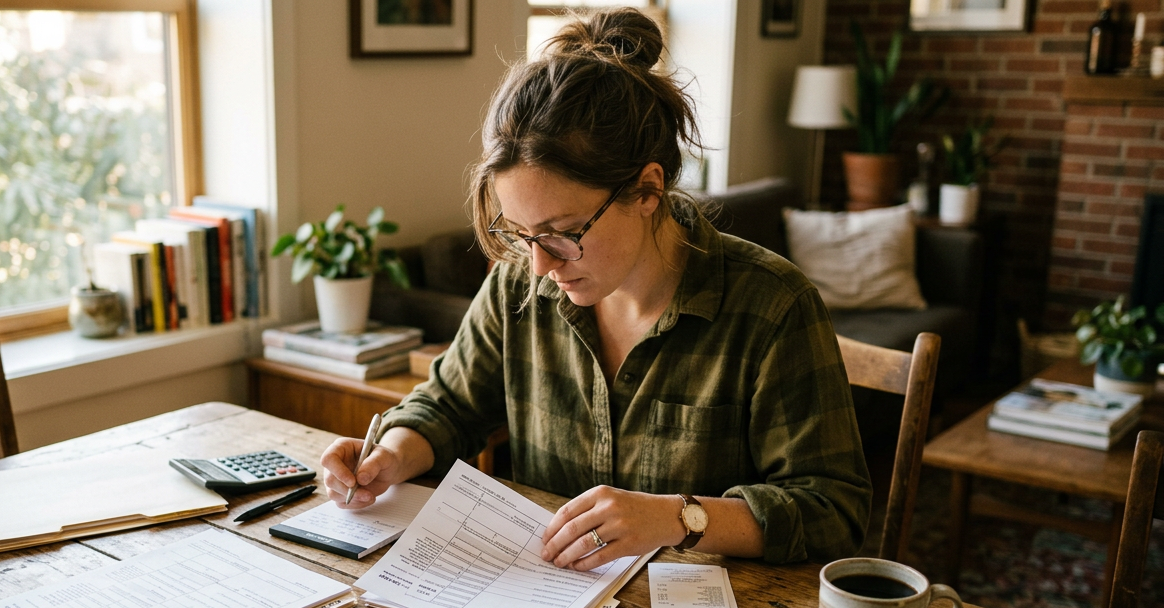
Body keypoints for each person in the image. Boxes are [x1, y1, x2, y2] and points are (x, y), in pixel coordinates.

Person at [318, 8, 871, 569]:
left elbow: (834, 510)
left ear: (647, 190)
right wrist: (391, 454)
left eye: (562, 234)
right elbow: (450, 404)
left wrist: (677, 517)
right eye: (520, 233)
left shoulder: (773, 306)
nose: (537, 265)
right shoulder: (517, 284)